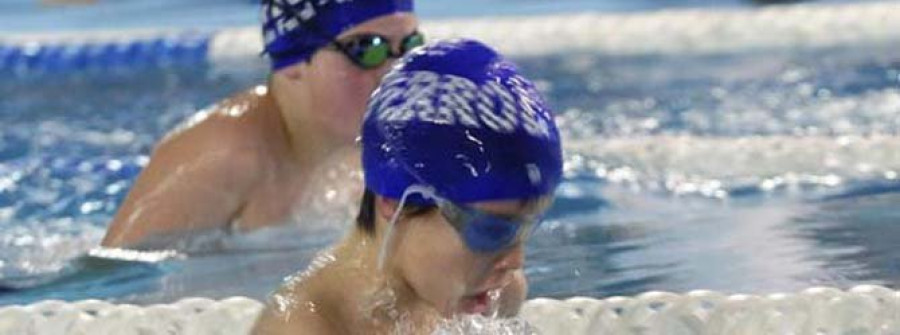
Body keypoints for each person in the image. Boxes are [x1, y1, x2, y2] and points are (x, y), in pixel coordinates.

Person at [252, 39, 563, 334]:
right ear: (392, 200)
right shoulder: (304, 327)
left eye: (526, 227)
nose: (515, 262)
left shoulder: (497, 292)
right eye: (491, 231)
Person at [101, 0, 423, 248]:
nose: (394, 72)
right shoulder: (224, 159)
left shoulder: (378, 143)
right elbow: (106, 297)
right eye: (366, 49)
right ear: (293, 64)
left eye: (409, 45)